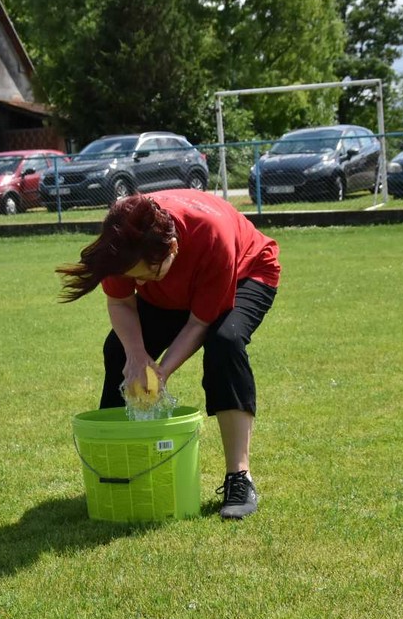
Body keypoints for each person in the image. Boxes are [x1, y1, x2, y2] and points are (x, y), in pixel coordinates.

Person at [57, 191, 281, 520]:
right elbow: (120, 302)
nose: (137, 283)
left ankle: (240, 478)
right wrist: (136, 356)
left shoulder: (212, 233)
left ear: (172, 247)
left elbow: (199, 323)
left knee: (225, 343)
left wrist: (161, 371)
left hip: (245, 271)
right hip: (174, 287)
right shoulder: (123, 240)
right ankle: (118, 469)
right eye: (132, 276)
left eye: (145, 275)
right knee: (118, 349)